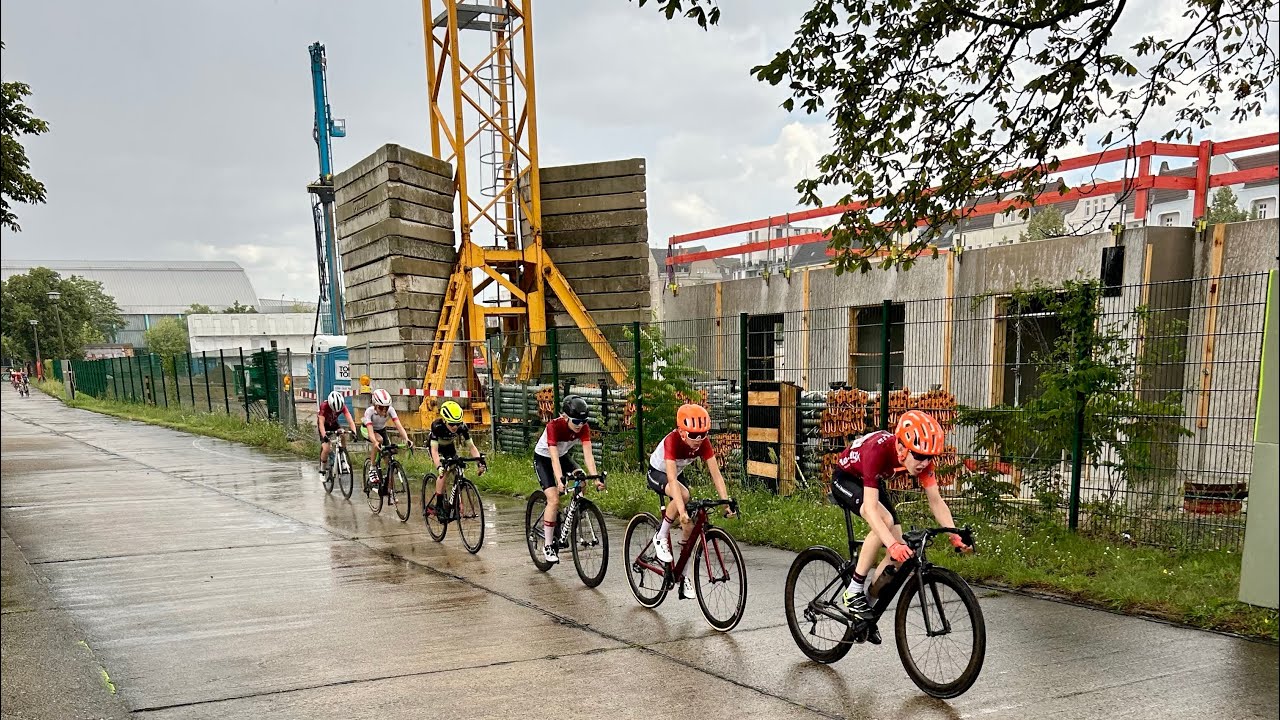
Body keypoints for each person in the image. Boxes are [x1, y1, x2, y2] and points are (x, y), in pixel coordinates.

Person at [830, 409, 971, 643]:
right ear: (902, 448)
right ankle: (854, 590)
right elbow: (871, 510)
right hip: (846, 478)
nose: (924, 462)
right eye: (919, 455)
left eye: (930, 457)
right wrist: (891, 544)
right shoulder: (878, 450)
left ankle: (865, 612)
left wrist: (954, 534)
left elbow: (936, 501)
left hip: (870, 479)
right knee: (883, 523)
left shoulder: (920, 460)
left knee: (900, 555)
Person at [647, 403, 734, 597]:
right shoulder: (672, 441)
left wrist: (725, 502)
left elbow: (716, 475)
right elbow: (671, 478)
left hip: (676, 475)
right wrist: (681, 510)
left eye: (703, 434)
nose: (699, 439)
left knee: (689, 526)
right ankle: (660, 537)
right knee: (684, 496)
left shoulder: (703, 443)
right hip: (658, 472)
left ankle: (683, 575)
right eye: (694, 435)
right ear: (681, 431)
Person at [533, 395, 604, 563]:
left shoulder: (583, 427)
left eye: (584, 421)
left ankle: (570, 510)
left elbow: (588, 455)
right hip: (544, 458)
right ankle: (548, 545)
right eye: (576, 421)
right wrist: (560, 480)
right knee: (553, 499)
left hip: (563, 456)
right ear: (565, 417)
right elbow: (554, 458)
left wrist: (595, 478)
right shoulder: (554, 426)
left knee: (582, 478)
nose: (580, 425)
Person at [426, 400, 485, 518]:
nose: (455, 427)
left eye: (457, 424)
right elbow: (434, 451)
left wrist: (479, 462)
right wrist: (439, 467)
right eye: (451, 424)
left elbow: (472, 447)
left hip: (449, 447)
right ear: (444, 420)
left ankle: (458, 505)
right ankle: (438, 505)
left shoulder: (462, 427)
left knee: (458, 471)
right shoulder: (437, 427)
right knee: (445, 472)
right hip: (436, 448)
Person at [362, 389, 412, 488]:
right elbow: (371, 432)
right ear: (375, 405)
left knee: (389, 461)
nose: (384, 411)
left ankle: (390, 491)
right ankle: (372, 468)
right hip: (368, 430)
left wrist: (407, 439)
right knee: (379, 440)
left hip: (381, 430)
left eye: (386, 408)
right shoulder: (369, 412)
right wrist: (375, 442)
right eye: (381, 408)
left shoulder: (390, 410)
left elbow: (399, 426)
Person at [316, 389, 356, 478]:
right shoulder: (324, 406)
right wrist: (324, 436)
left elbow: (350, 420)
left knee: (342, 434)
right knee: (326, 448)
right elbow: (321, 424)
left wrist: (354, 432)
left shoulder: (343, 406)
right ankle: (322, 470)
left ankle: (342, 457)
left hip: (334, 424)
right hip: (324, 426)